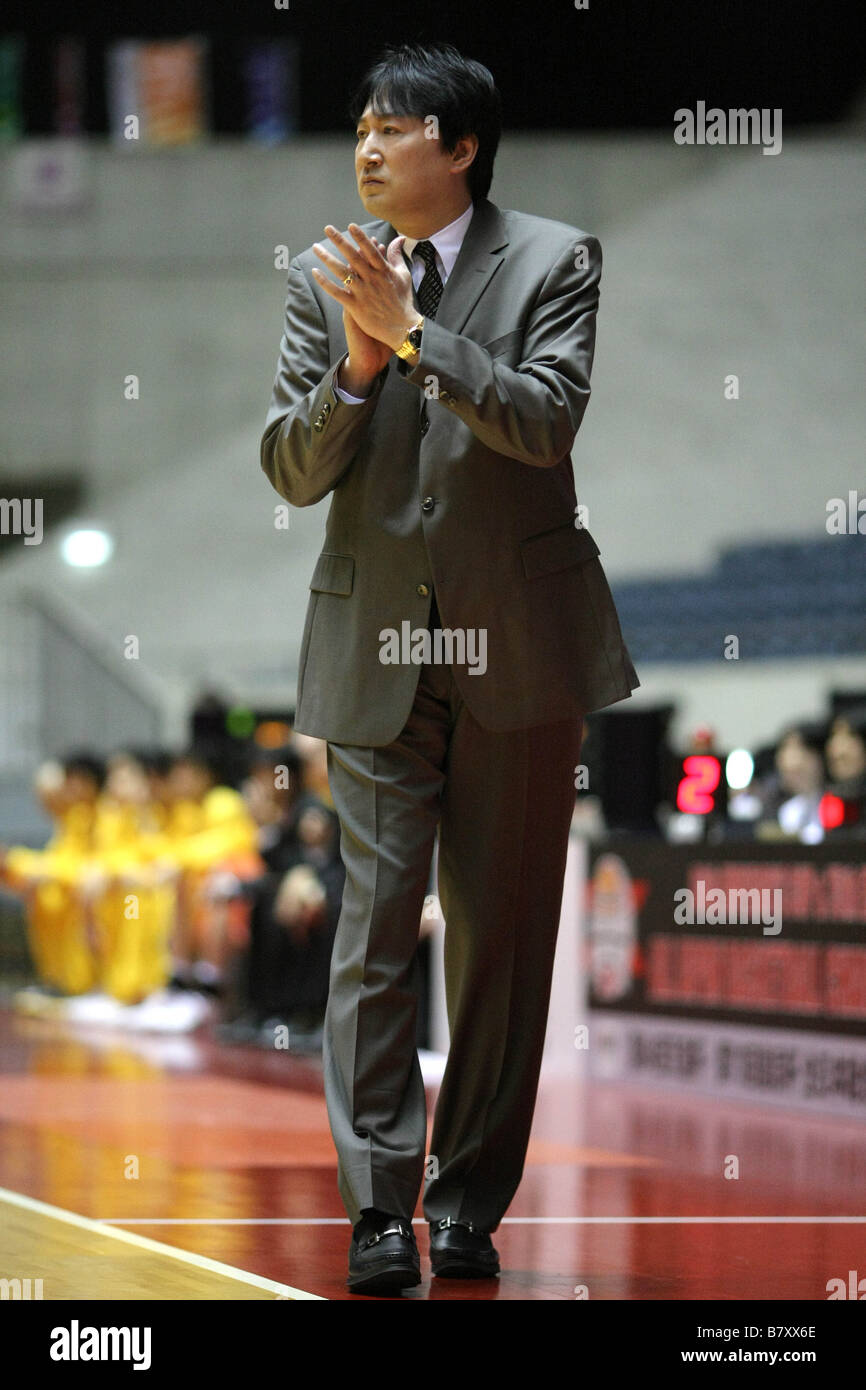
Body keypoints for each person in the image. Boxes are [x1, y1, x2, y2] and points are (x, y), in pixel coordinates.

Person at [260, 41, 639, 1294]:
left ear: (459, 146)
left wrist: (414, 333)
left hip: (518, 645)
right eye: (356, 130)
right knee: (371, 930)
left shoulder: (554, 258)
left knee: (501, 934)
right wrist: (360, 368)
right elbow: (289, 467)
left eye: (390, 129)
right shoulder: (325, 285)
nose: (364, 149)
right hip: (373, 641)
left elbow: (541, 419)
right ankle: (377, 1208)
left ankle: (469, 1200)